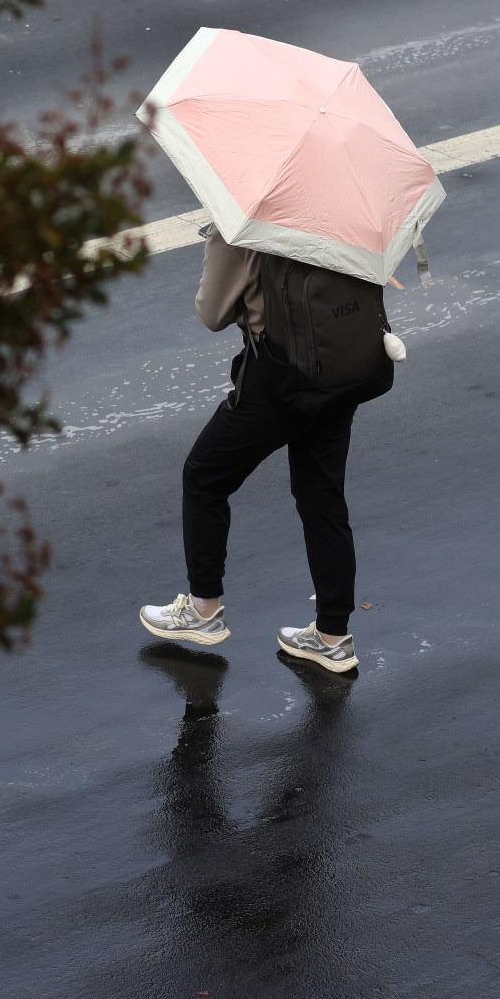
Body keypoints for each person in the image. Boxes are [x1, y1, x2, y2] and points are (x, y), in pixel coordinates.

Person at [138, 229, 362, 673]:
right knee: (323, 501)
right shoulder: (342, 211)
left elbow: (212, 312)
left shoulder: (243, 225)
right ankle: (333, 637)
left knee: (204, 477)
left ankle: (203, 608)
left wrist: (218, 242)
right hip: (341, 367)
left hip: (279, 376)